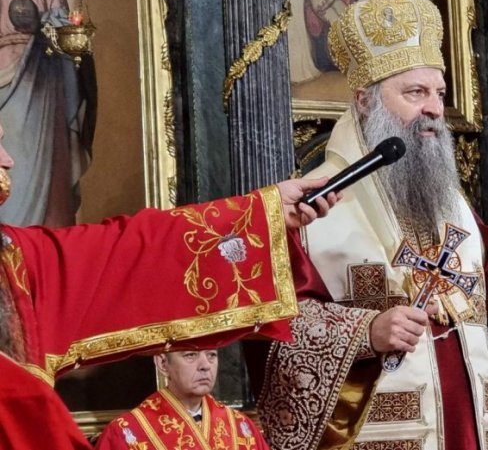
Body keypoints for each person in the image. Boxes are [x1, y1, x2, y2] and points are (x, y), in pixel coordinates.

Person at [255, 0, 488, 450]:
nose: (435, 109)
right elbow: (274, 331)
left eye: (439, 93)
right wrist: (366, 333)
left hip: (477, 429)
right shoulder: (309, 208)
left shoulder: (451, 204)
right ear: (364, 100)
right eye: (415, 92)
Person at [0, 118, 338, 446]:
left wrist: (263, 212)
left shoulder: (14, 257)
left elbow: (130, 249)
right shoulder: (131, 433)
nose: (9, 161)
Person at [0, 0, 96, 227]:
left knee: (41, 161)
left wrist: (57, 24)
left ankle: (38, 234)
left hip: (41, 82)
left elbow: (62, 31)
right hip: (3, 79)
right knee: (11, 158)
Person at [94, 349, 270, 449]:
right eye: (190, 355)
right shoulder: (126, 432)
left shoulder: (240, 426)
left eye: (212, 355)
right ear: (163, 363)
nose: (205, 366)